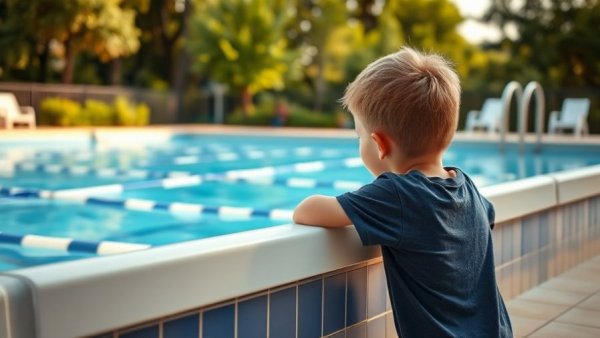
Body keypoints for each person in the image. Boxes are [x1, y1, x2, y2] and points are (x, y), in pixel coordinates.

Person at [293, 47, 513, 337]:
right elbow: (488, 214)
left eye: (359, 137)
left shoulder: (397, 194)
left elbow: (306, 211)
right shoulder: (466, 186)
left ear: (380, 144)